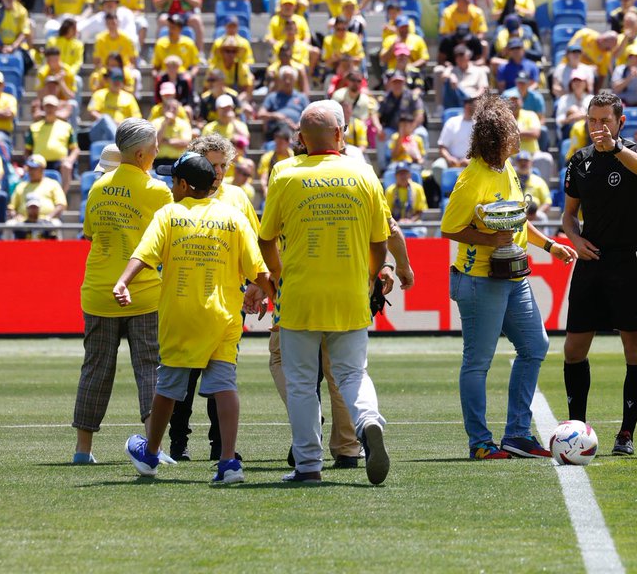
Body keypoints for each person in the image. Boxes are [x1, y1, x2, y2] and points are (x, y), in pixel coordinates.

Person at [253, 102, 396, 484]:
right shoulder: (364, 173)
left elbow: (265, 239)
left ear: (300, 140)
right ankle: (367, 423)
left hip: (299, 294)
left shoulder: (284, 172)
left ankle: (308, 466)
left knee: (300, 382)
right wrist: (369, 274)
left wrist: (277, 276)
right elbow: (380, 241)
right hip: (349, 292)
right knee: (352, 374)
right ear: (340, 135)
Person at [120, 153, 272, 484]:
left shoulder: (169, 214)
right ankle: (229, 462)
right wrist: (274, 294)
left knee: (169, 387)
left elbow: (144, 254)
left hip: (181, 315)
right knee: (225, 385)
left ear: (184, 185)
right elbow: (259, 269)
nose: (171, 187)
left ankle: (150, 453)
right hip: (224, 316)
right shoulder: (233, 218)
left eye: (173, 181)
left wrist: (122, 282)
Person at [441, 94, 577, 459]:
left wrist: (550, 245)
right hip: (478, 277)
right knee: (478, 361)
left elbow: (517, 220)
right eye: (512, 129)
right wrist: (489, 239)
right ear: (498, 136)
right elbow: (449, 227)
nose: (519, 133)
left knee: (535, 346)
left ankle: (517, 434)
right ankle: (480, 443)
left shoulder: (506, 168)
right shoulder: (472, 178)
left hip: (512, 274)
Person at [71, 119, 173, 464]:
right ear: (142, 153)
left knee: (95, 370)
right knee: (149, 369)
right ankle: (154, 449)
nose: (159, 151)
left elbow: (89, 235)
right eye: (156, 146)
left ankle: (82, 450)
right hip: (143, 293)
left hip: (98, 290)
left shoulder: (97, 188)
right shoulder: (158, 191)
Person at [561, 92, 637, 456]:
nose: (597, 127)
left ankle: (626, 434)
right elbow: (569, 215)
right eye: (592, 120)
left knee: (634, 351)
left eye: (604, 120)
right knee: (573, 349)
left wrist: (615, 147)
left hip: (628, 264)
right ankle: (575, 427)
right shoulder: (579, 161)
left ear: (620, 120)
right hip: (591, 263)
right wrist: (574, 238)